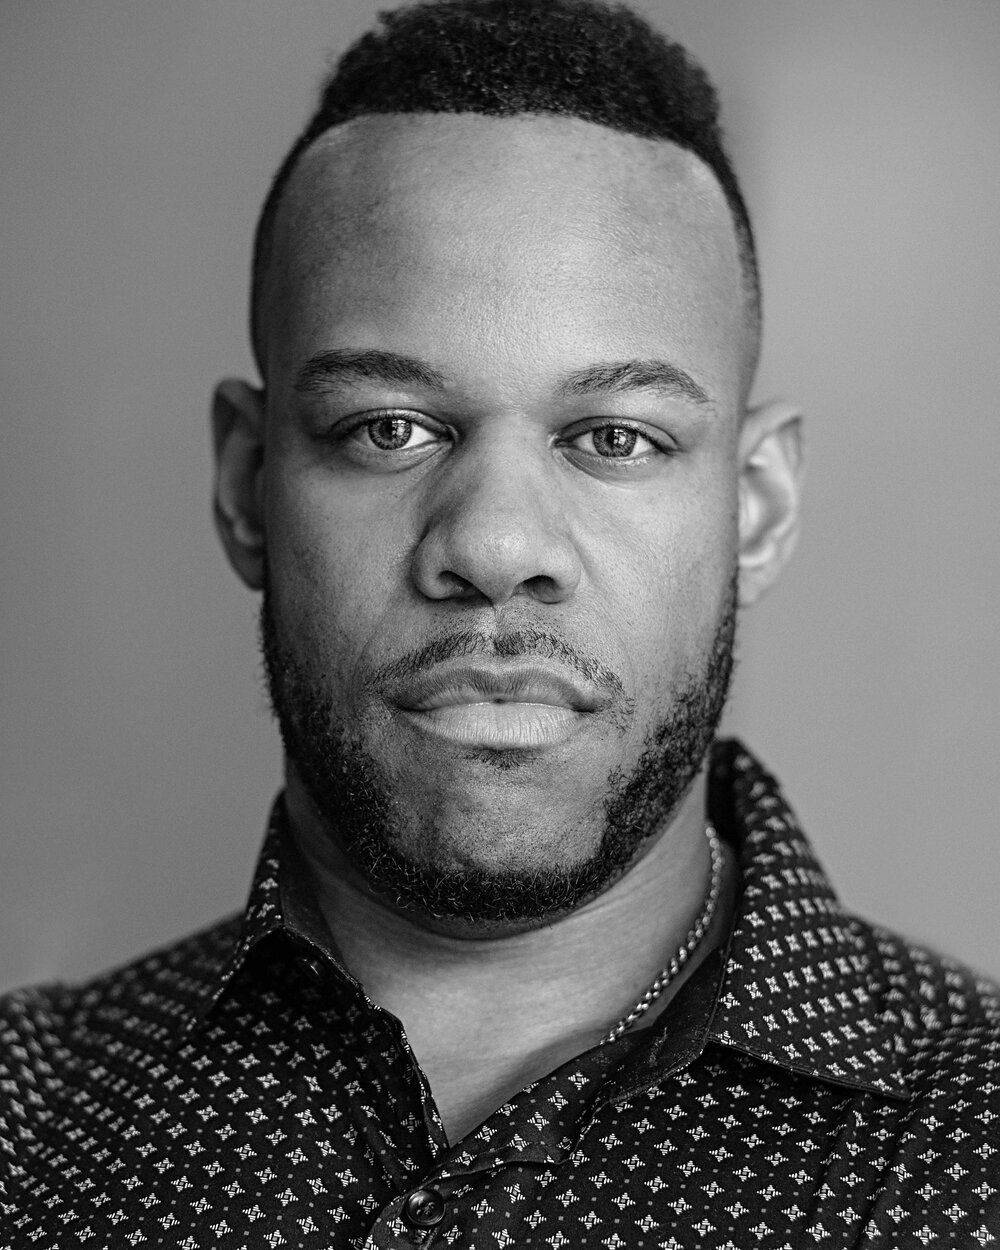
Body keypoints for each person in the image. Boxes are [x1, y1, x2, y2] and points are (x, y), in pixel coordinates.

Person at [2, 0, 997, 1245]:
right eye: (388, 428)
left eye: (615, 438)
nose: (495, 546)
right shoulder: (21, 1120)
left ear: (757, 504)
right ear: (246, 483)